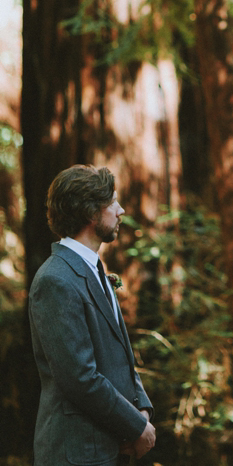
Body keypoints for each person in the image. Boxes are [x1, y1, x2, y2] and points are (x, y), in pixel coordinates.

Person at [29, 165, 156, 465]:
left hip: (109, 445)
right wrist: (136, 427)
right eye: (112, 202)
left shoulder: (93, 269)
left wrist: (142, 409)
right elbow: (80, 378)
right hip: (77, 452)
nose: (121, 210)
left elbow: (120, 358)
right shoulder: (55, 280)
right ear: (90, 212)